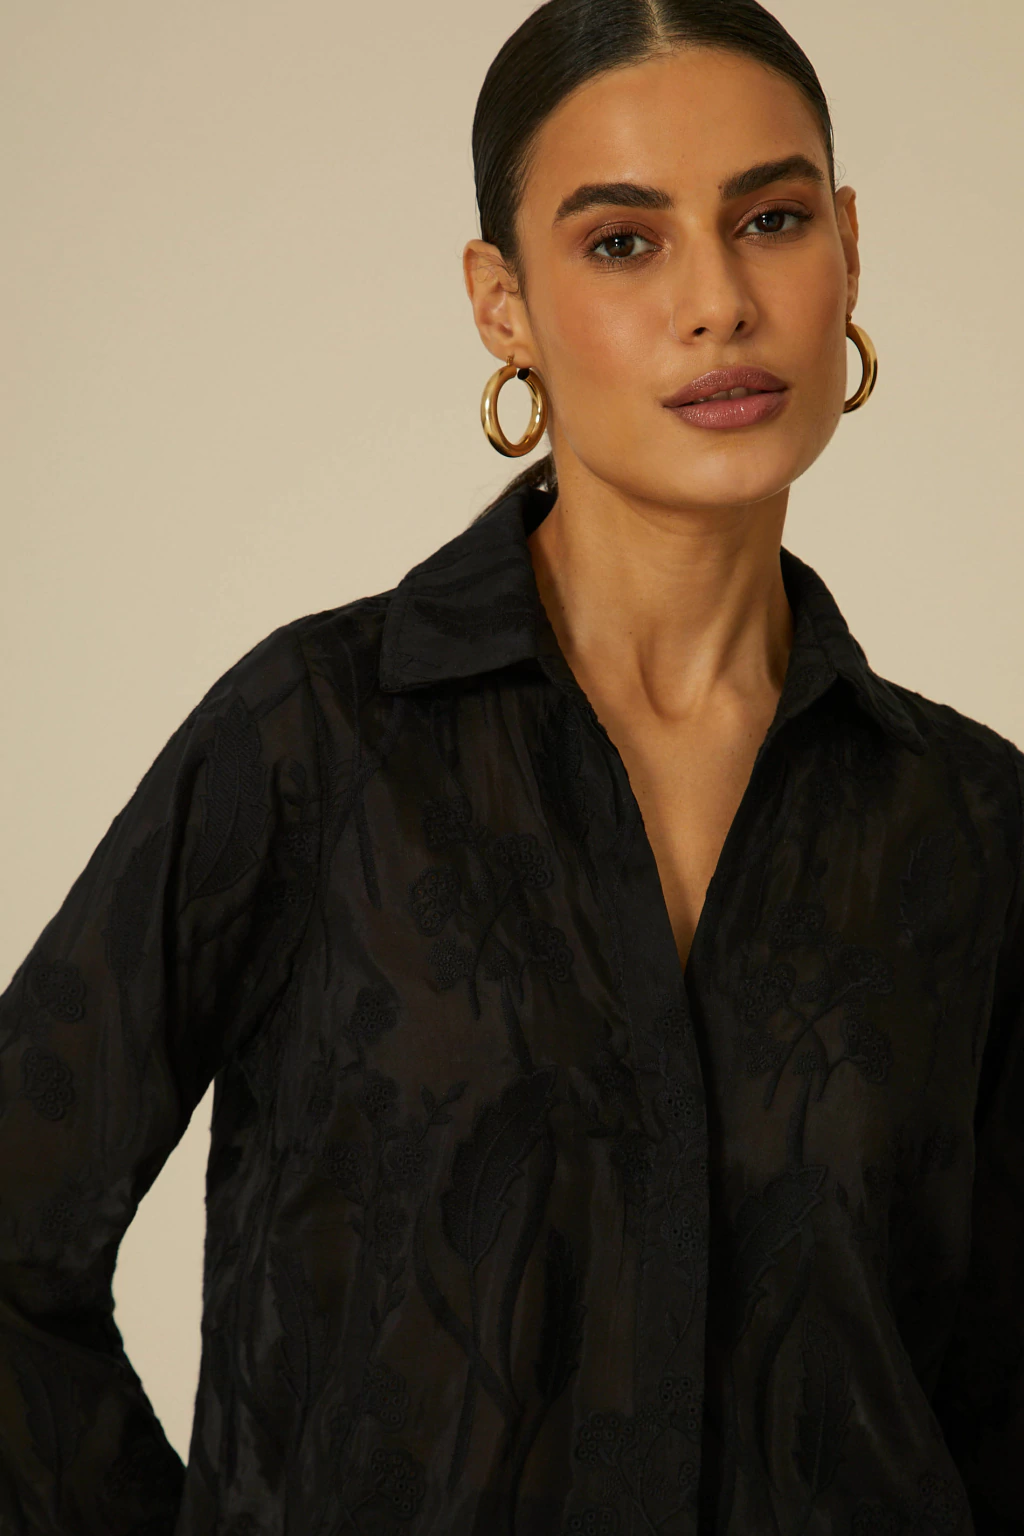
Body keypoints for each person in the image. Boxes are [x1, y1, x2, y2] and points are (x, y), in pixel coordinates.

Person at [0, 0, 1020, 1531]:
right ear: (504, 305)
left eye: (773, 218)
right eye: (624, 243)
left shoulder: (972, 823)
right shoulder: (315, 740)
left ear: (851, 248)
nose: (719, 303)